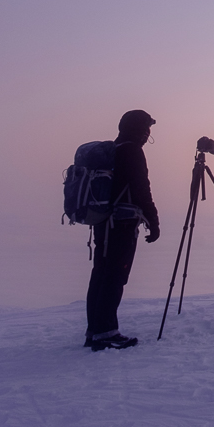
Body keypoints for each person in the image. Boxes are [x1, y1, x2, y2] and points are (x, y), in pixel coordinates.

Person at [84, 109, 161, 351]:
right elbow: (141, 189)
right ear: (139, 129)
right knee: (114, 276)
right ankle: (105, 332)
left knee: (102, 274)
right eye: (147, 129)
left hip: (105, 222)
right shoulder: (131, 151)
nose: (148, 134)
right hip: (121, 224)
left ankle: (95, 330)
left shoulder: (114, 150)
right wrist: (154, 221)